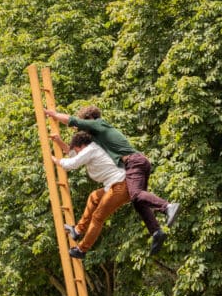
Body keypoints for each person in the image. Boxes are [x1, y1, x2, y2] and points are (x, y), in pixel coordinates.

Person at [46, 105, 179, 254]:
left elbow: (74, 124)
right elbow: (77, 154)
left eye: (86, 122)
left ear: (91, 118)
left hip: (133, 163)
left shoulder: (99, 124)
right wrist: (60, 142)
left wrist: (53, 114)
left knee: (134, 196)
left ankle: (167, 207)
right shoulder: (98, 139)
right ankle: (156, 231)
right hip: (133, 165)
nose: (85, 128)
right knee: (137, 201)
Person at [52, 131, 129, 260]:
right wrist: (59, 142)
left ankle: (81, 250)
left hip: (120, 186)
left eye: (77, 150)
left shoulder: (91, 149)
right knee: (94, 197)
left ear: (82, 146)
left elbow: (71, 163)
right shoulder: (91, 149)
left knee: (97, 217)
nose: (77, 154)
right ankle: (77, 230)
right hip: (115, 185)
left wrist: (53, 159)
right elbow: (74, 156)